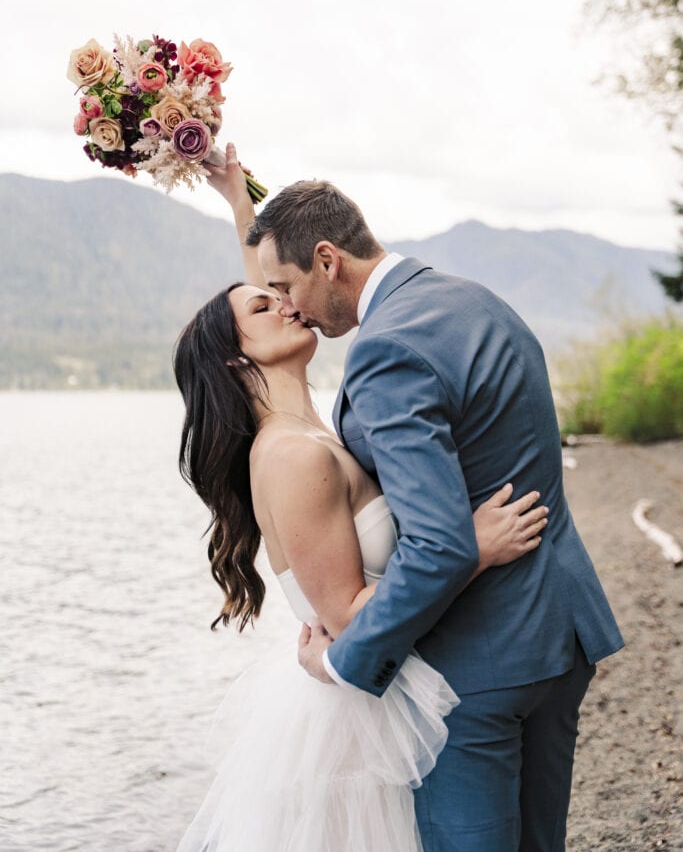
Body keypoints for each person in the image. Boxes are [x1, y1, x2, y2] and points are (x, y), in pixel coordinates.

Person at [240, 150, 625, 852]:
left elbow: (442, 542)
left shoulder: (386, 349)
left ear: (328, 260)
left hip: (480, 663)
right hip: (558, 633)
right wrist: (234, 195)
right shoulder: (468, 298)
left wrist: (340, 662)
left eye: (286, 286)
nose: (287, 305)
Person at [172, 146, 550, 852]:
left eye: (282, 288)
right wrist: (471, 546)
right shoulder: (289, 456)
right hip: (354, 716)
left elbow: (272, 281)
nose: (285, 302)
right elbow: (344, 616)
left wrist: (236, 198)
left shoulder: (308, 424)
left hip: (391, 685)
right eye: (266, 302)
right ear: (238, 358)